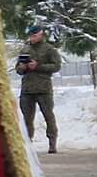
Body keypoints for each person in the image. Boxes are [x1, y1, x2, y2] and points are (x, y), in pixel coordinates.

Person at [16, 25, 63, 153]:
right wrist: (23, 67)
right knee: (27, 118)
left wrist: (38, 66)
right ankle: (27, 143)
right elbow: (18, 69)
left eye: (35, 35)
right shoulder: (25, 49)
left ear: (41, 35)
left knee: (48, 116)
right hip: (27, 89)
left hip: (43, 88)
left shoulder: (49, 49)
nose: (32, 38)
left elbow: (56, 66)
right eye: (31, 35)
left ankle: (52, 143)